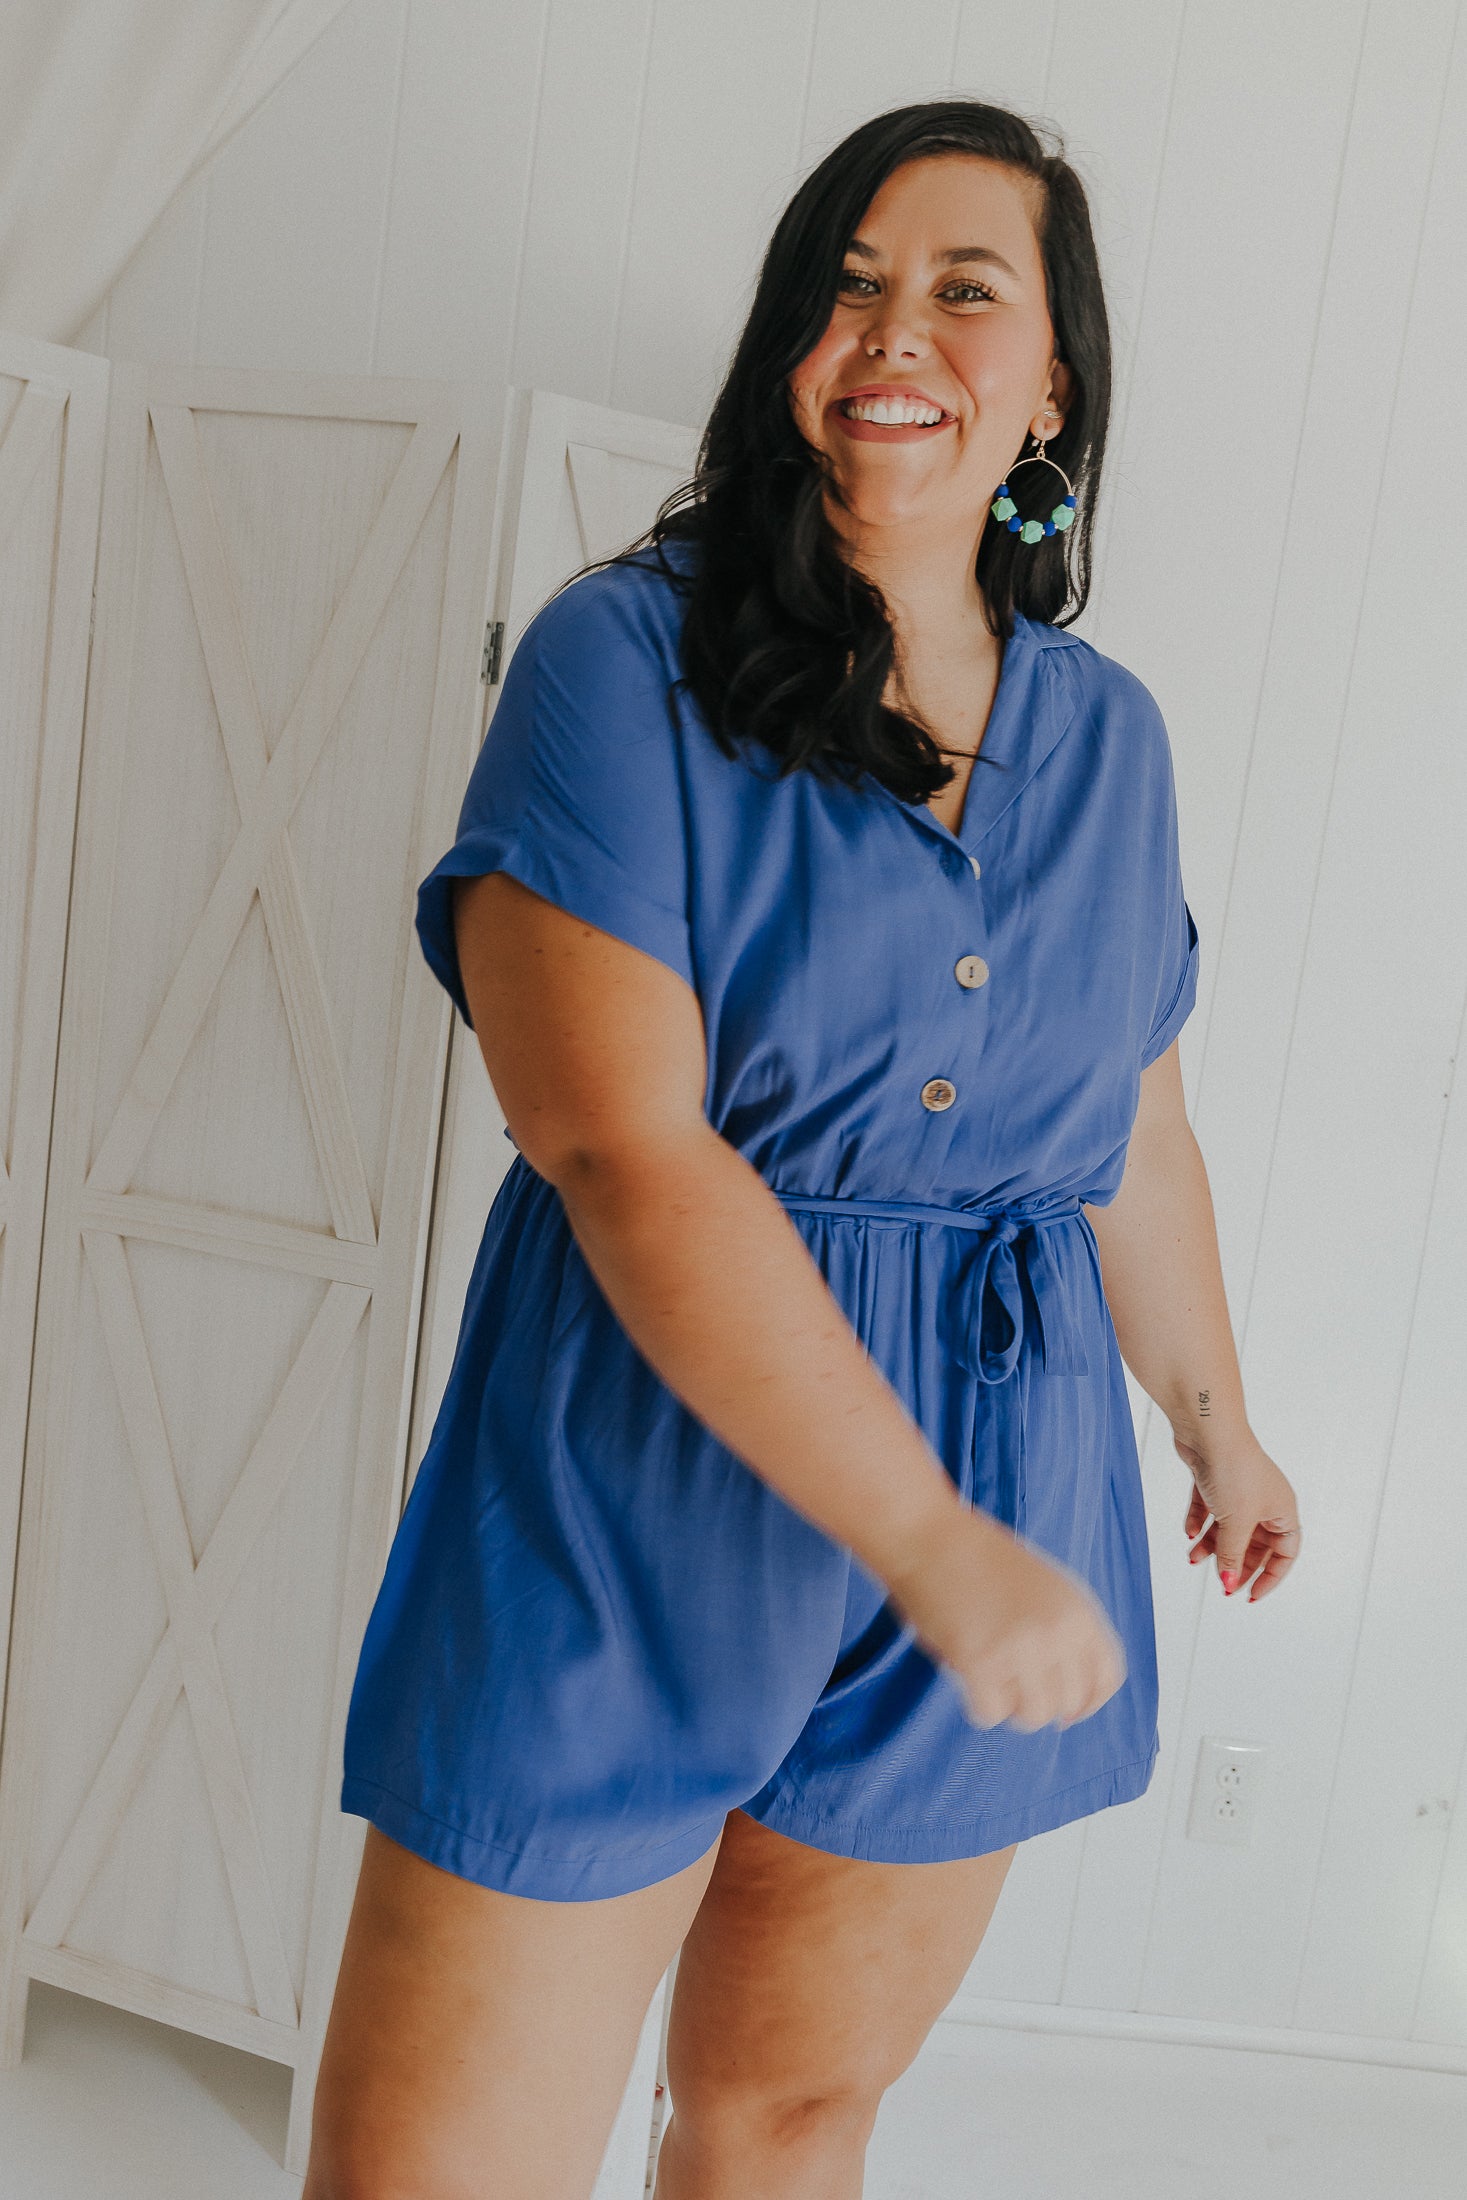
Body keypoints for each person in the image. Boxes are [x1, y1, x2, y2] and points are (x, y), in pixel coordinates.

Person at [306, 97, 1302, 2200]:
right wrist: (928, 1541)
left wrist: (1213, 1421)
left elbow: (1131, 1119)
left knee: (787, 2119)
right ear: (788, 345)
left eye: (963, 289)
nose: (895, 330)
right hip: (638, 1484)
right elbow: (618, 1149)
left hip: (1007, 1458)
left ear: (1051, 387)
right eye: (848, 284)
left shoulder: (1107, 736)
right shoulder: (616, 664)